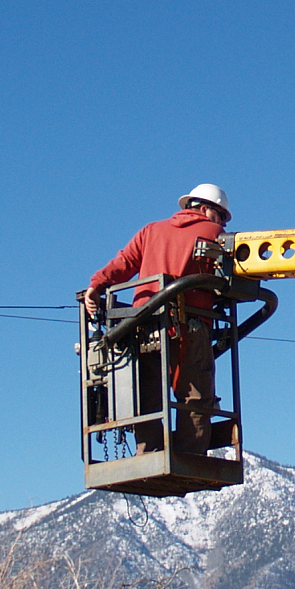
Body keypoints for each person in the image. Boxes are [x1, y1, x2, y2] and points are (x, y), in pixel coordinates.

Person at [87, 184, 231, 458]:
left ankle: (149, 453)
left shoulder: (151, 230)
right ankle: (191, 457)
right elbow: (234, 278)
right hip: (187, 325)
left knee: (148, 393)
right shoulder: (215, 235)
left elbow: (124, 263)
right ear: (204, 209)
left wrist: (97, 284)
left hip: (141, 327)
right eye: (221, 215)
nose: (222, 223)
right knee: (195, 395)